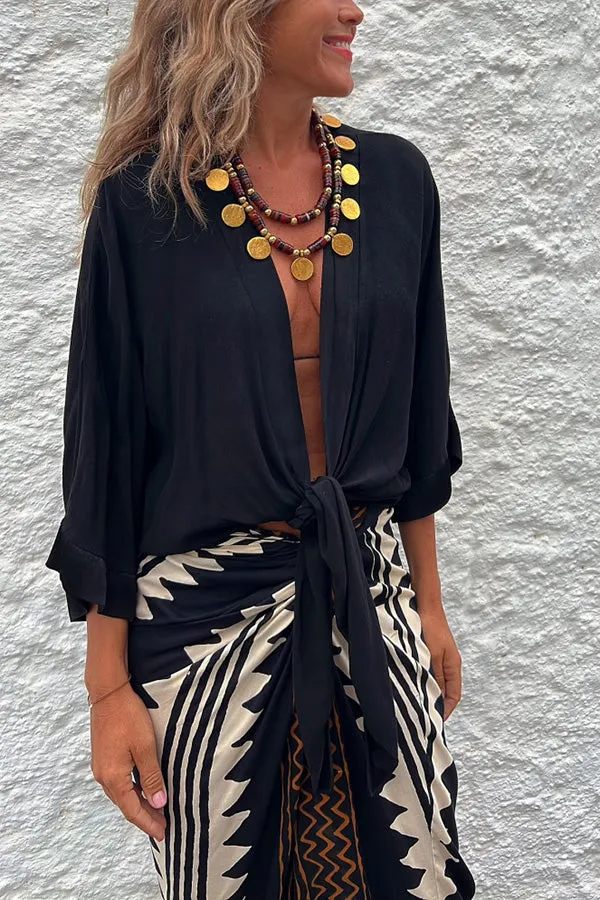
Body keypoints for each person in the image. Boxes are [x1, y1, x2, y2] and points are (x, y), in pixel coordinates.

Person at [45, 0, 477, 897]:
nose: (355, 10)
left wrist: (429, 605)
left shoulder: (398, 181)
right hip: (204, 632)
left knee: (410, 866)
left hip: (371, 601)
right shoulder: (145, 206)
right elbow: (105, 459)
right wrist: (107, 691)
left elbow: (420, 418)